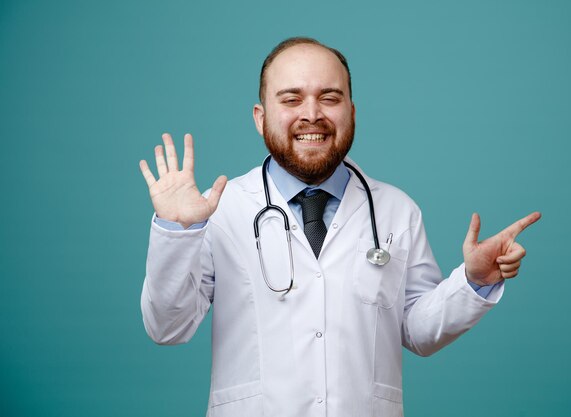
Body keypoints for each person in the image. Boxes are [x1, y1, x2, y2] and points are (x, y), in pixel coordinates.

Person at [139, 37, 540, 417]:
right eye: (291, 98)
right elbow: (167, 327)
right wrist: (177, 232)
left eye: (329, 98)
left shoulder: (396, 210)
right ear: (260, 118)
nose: (312, 114)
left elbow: (418, 330)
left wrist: (472, 282)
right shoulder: (220, 210)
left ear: (351, 111)